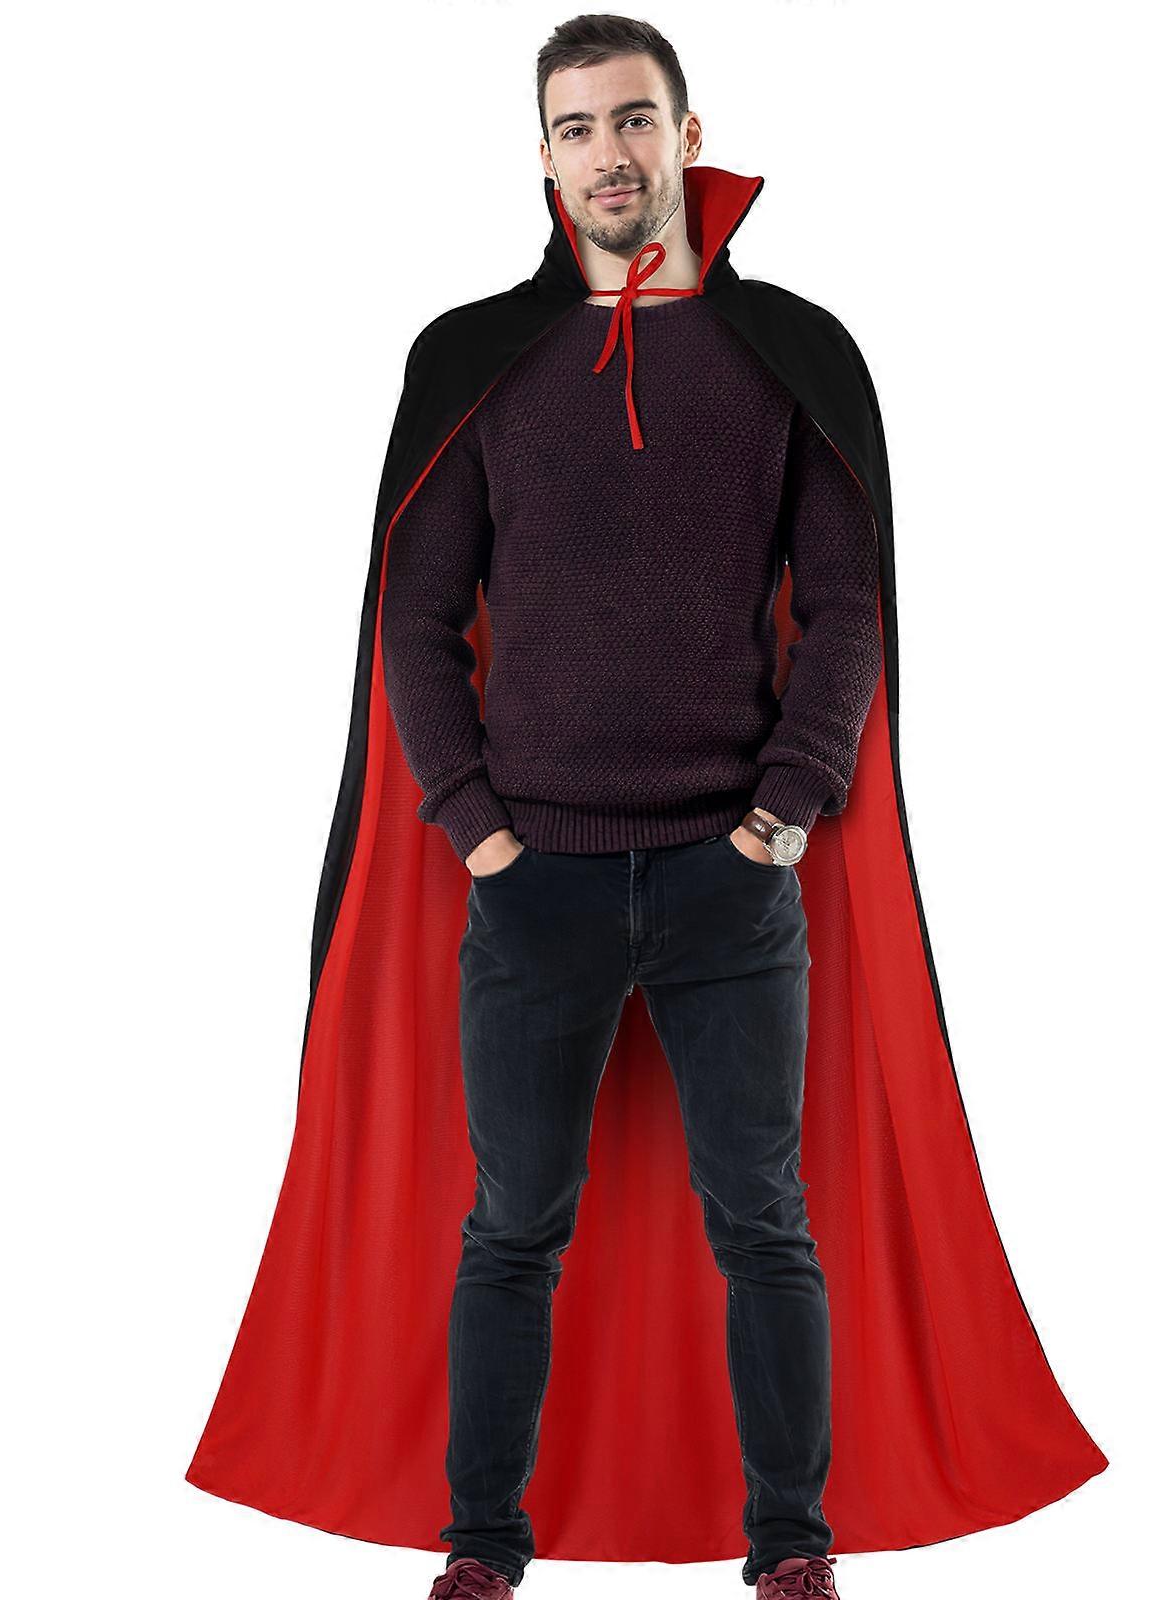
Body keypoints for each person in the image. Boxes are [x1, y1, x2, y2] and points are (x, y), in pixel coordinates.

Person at [379, 16, 880, 1600]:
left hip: (734, 880)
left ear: (687, 133)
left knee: (765, 1223)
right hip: (536, 880)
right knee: (512, 1227)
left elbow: (848, 607)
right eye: (578, 126)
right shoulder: (476, 358)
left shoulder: (786, 351)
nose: (611, 151)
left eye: (635, 119)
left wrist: (781, 817)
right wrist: (479, 826)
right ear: (543, 156)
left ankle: (791, 1548)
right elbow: (414, 618)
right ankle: (482, 1549)